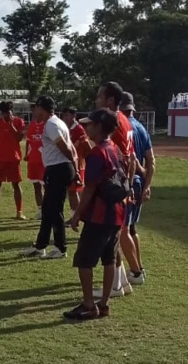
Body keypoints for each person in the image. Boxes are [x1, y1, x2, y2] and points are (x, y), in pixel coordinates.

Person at [65, 108, 126, 320]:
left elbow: (90, 188)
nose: (86, 127)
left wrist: (76, 215)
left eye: (89, 124)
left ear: (99, 127)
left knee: (84, 261)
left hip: (98, 216)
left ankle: (89, 304)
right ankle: (104, 304)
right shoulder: (115, 148)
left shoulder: (96, 153)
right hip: (117, 213)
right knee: (109, 259)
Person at [92, 82, 142, 299]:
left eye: (99, 97)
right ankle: (120, 282)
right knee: (117, 234)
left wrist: (123, 188)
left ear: (110, 100)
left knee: (113, 236)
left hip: (114, 187)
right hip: (121, 185)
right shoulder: (124, 120)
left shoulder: (113, 122)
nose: (96, 100)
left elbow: (123, 158)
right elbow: (131, 158)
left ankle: (114, 286)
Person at [21, 96, 78, 259]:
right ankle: (40, 246)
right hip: (57, 169)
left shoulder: (52, 124)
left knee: (54, 210)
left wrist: (74, 168)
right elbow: (71, 147)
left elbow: (66, 148)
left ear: (42, 108)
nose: (34, 111)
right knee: (47, 209)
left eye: (36, 108)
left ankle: (61, 248)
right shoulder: (56, 123)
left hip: (58, 169)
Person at [121, 92, 155, 280]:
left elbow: (132, 160)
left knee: (122, 229)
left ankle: (135, 272)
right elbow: (152, 161)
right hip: (140, 184)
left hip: (129, 183)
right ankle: (139, 268)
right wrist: (147, 185)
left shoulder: (124, 128)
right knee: (132, 228)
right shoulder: (142, 128)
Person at [0, 101, 26, 219]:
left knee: (16, 185)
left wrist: (11, 125)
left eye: (7, 112)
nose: (5, 115)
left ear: (11, 111)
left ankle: (19, 211)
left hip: (13, 159)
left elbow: (19, 138)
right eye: (3, 113)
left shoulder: (19, 121)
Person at [63, 107, 92, 222]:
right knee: (72, 191)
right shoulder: (66, 128)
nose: (65, 118)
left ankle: (77, 216)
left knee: (73, 191)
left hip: (77, 164)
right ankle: (77, 215)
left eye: (67, 116)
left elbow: (86, 145)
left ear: (73, 116)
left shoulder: (79, 129)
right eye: (64, 116)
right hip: (69, 163)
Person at [25, 103, 46, 220]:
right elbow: (29, 141)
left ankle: (49, 210)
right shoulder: (32, 125)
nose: (35, 113)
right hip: (33, 161)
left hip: (45, 162)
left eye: (36, 110)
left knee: (47, 187)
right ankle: (41, 210)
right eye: (33, 111)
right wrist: (26, 154)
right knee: (36, 186)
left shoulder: (47, 125)